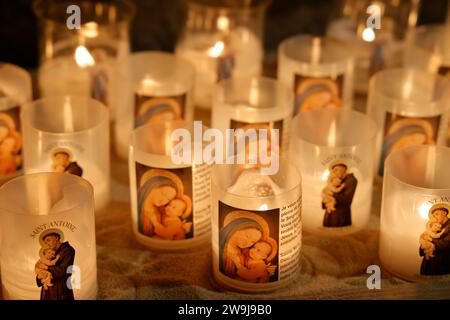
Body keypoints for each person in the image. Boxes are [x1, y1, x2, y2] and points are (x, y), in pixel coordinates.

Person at [35, 232, 75, 300]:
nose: (47, 243)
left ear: (56, 238)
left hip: (60, 290)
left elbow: (64, 270)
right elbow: (42, 265)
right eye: (45, 242)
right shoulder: (49, 252)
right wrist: (40, 274)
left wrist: (46, 268)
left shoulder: (67, 250)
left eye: (48, 240)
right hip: (48, 289)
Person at [322, 163, 357, 227]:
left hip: (341, 218)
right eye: (333, 171)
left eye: (336, 170)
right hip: (331, 216)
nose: (334, 173)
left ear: (343, 170)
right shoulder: (337, 179)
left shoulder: (350, 181)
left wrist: (331, 193)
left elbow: (346, 199)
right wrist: (325, 197)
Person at [420, 207, 450, 276]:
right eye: (434, 216)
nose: (435, 217)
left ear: (444, 213)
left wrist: (430, 240)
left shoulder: (448, 226)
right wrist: (422, 245)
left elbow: (446, 243)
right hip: (430, 265)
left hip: (442, 265)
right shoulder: (434, 225)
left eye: (436, 214)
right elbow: (425, 238)